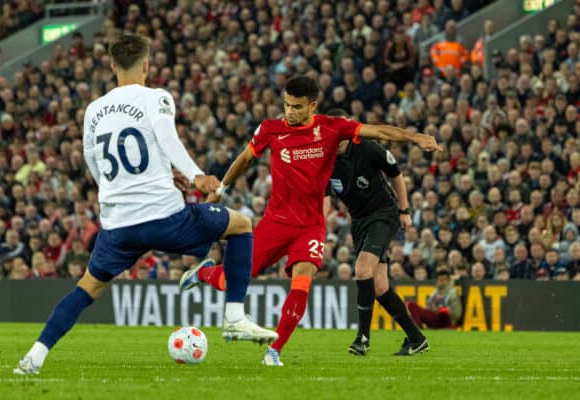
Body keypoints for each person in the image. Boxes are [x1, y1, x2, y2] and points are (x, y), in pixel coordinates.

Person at [13, 34, 277, 375]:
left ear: (111, 66)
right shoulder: (156, 98)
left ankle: (34, 357)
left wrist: (152, 182)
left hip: (118, 226)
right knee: (241, 226)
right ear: (147, 65)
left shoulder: (93, 110)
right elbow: (168, 138)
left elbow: (93, 164)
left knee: (86, 288)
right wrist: (196, 176)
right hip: (164, 218)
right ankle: (234, 317)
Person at [180, 75, 442, 366]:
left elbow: (378, 131)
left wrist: (416, 137)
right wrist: (221, 190)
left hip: (311, 225)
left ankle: (274, 351)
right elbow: (244, 159)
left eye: (296, 106)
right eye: (286, 105)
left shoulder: (331, 127)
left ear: (312, 106)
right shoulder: (271, 129)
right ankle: (204, 273)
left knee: (302, 282)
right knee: (228, 280)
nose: (289, 112)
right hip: (276, 222)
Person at [323, 108, 427, 356]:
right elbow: (324, 197)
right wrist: (319, 223)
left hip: (384, 214)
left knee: (361, 270)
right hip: (359, 221)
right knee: (379, 286)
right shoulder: (326, 159)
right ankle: (416, 338)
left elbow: (396, 175)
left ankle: (363, 338)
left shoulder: (368, 149)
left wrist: (404, 210)